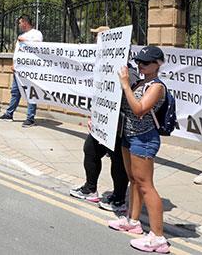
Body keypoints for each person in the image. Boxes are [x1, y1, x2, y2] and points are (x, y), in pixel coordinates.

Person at [107, 46, 169, 253]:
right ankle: (133, 221)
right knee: (133, 180)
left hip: (144, 139)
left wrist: (125, 84)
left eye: (146, 63)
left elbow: (139, 109)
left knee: (146, 185)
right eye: (139, 62)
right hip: (129, 136)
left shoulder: (157, 86)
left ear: (158, 64)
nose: (141, 66)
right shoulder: (141, 81)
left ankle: (158, 237)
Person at [69, 26, 129, 212]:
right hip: (101, 121)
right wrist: (95, 116)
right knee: (90, 150)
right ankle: (90, 189)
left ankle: (119, 199)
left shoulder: (123, 65)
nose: (96, 40)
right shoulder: (102, 62)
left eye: (99, 37)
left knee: (118, 161)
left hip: (118, 123)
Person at [0, 14, 43, 127]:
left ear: (25, 22)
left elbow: (39, 47)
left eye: (20, 22)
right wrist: (14, 64)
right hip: (18, 70)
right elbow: (17, 53)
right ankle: (9, 114)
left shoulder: (36, 33)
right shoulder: (21, 36)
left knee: (30, 93)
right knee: (15, 92)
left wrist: (25, 40)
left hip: (31, 70)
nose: (19, 25)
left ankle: (30, 118)